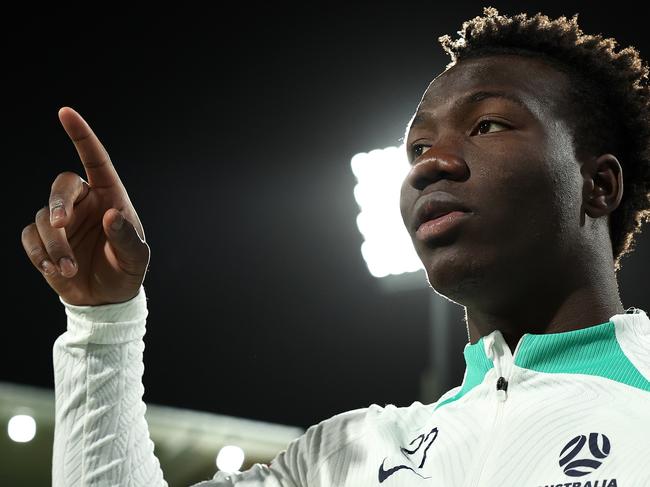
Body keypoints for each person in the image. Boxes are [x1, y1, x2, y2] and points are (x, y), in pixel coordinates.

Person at [21, 6, 650, 486]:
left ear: (598, 185)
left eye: (488, 124)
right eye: (418, 149)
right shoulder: (347, 456)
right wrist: (102, 325)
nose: (430, 166)